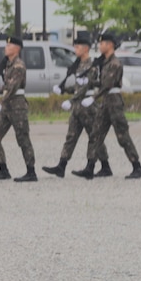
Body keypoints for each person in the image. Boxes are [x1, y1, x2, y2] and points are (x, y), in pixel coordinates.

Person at [74, 34, 141, 179]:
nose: (100, 46)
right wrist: (87, 82)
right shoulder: (105, 63)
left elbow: (108, 85)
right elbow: (101, 83)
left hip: (114, 102)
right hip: (105, 102)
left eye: (102, 44)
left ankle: (137, 167)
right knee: (96, 134)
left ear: (110, 45)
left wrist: (92, 97)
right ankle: (91, 167)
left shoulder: (115, 63)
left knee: (122, 136)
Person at [42, 37, 110, 178]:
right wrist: (64, 89)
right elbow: (79, 86)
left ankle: (105, 166)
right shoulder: (78, 64)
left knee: (94, 137)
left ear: (86, 48)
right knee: (71, 136)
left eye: (78, 47)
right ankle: (62, 166)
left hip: (88, 107)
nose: (75, 49)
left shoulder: (92, 65)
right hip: (78, 107)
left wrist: (71, 100)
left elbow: (85, 87)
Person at [0, 37, 37, 182]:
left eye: (9, 45)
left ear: (17, 48)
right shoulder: (9, 65)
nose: (6, 47)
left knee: (23, 139)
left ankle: (31, 172)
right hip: (7, 106)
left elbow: (13, 87)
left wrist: (0, 102)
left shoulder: (18, 65)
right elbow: (7, 86)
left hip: (17, 106)